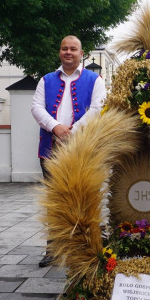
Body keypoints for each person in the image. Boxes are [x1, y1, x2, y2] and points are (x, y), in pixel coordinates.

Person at [32, 35, 107, 267]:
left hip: (83, 149)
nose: (68, 52)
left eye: (73, 49)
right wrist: (55, 127)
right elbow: (36, 107)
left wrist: (72, 131)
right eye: (64, 48)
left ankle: (90, 246)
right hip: (51, 149)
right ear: (59, 52)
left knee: (86, 196)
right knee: (54, 199)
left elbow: (98, 108)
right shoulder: (46, 79)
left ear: (81, 53)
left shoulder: (95, 80)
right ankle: (53, 249)